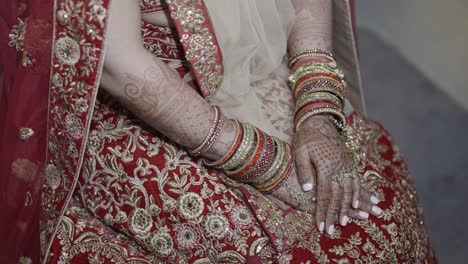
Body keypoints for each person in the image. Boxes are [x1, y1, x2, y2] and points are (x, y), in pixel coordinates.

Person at [0, 0, 437, 263]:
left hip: (257, 68)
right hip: (138, 100)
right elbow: (117, 64)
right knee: (279, 249)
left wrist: (318, 110)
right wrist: (264, 162)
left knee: (382, 216)